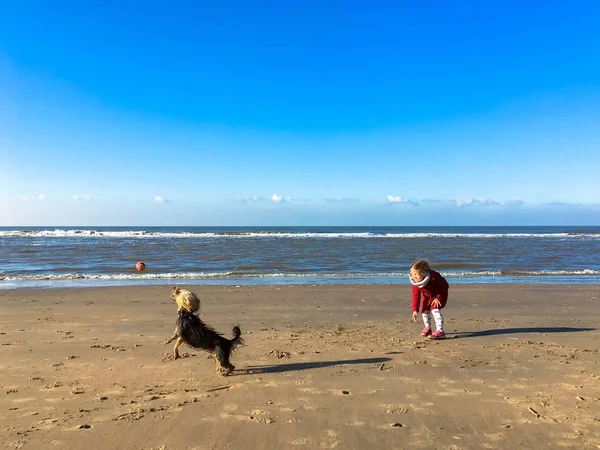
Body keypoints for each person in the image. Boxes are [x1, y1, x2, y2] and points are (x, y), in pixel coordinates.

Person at [409, 259, 449, 339]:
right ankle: (428, 327)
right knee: (424, 310)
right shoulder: (416, 283)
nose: (414, 276)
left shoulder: (434, 277)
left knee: (435, 310)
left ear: (424, 273)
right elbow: (416, 295)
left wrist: (438, 298)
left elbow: (444, 286)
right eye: (412, 274)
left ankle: (440, 331)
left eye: (416, 274)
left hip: (439, 295)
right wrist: (415, 310)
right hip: (427, 296)